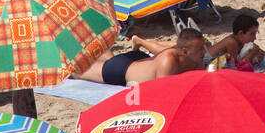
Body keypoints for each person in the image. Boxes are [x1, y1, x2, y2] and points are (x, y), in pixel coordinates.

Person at [75, 29, 207, 85]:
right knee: (77, 72)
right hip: (123, 70)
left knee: (109, 60)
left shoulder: (196, 60)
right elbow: (165, 93)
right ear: (184, 51)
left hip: (139, 60)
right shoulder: (169, 61)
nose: (204, 51)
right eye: (200, 49)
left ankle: (101, 47)